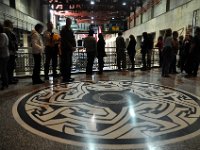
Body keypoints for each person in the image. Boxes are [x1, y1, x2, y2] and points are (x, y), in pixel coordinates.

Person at [60, 18, 76, 82]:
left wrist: (73, 46)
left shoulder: (69, 29)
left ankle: (68, 77)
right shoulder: (64, 30)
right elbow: (65, 40)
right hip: (66, 49)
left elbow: (72, 38)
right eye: (69, 21)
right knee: (66, 63)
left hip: (69, 49)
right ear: (66, 22)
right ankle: (65, 77)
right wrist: (71, 47)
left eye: (70, 21)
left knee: (69, 63)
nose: (70, 23)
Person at [3, 20, 18, 84]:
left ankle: (11, 78)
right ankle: (10, 79)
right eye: (11, 23)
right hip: (10, 51)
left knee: (11, 66)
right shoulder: (7, 31)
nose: (12, 25)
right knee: (10, 66)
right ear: (9, 24)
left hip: (10, 51)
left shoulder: (8, 30)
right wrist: (14, 49)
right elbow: (10, 41)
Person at [0, 23, 10, 90]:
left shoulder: (2, 35)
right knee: (4, 70)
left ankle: (5, 84)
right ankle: (5, 83)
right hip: (5, 54)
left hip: (3, 55)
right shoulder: (4, 34)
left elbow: (1, 45)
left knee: (3, 70)